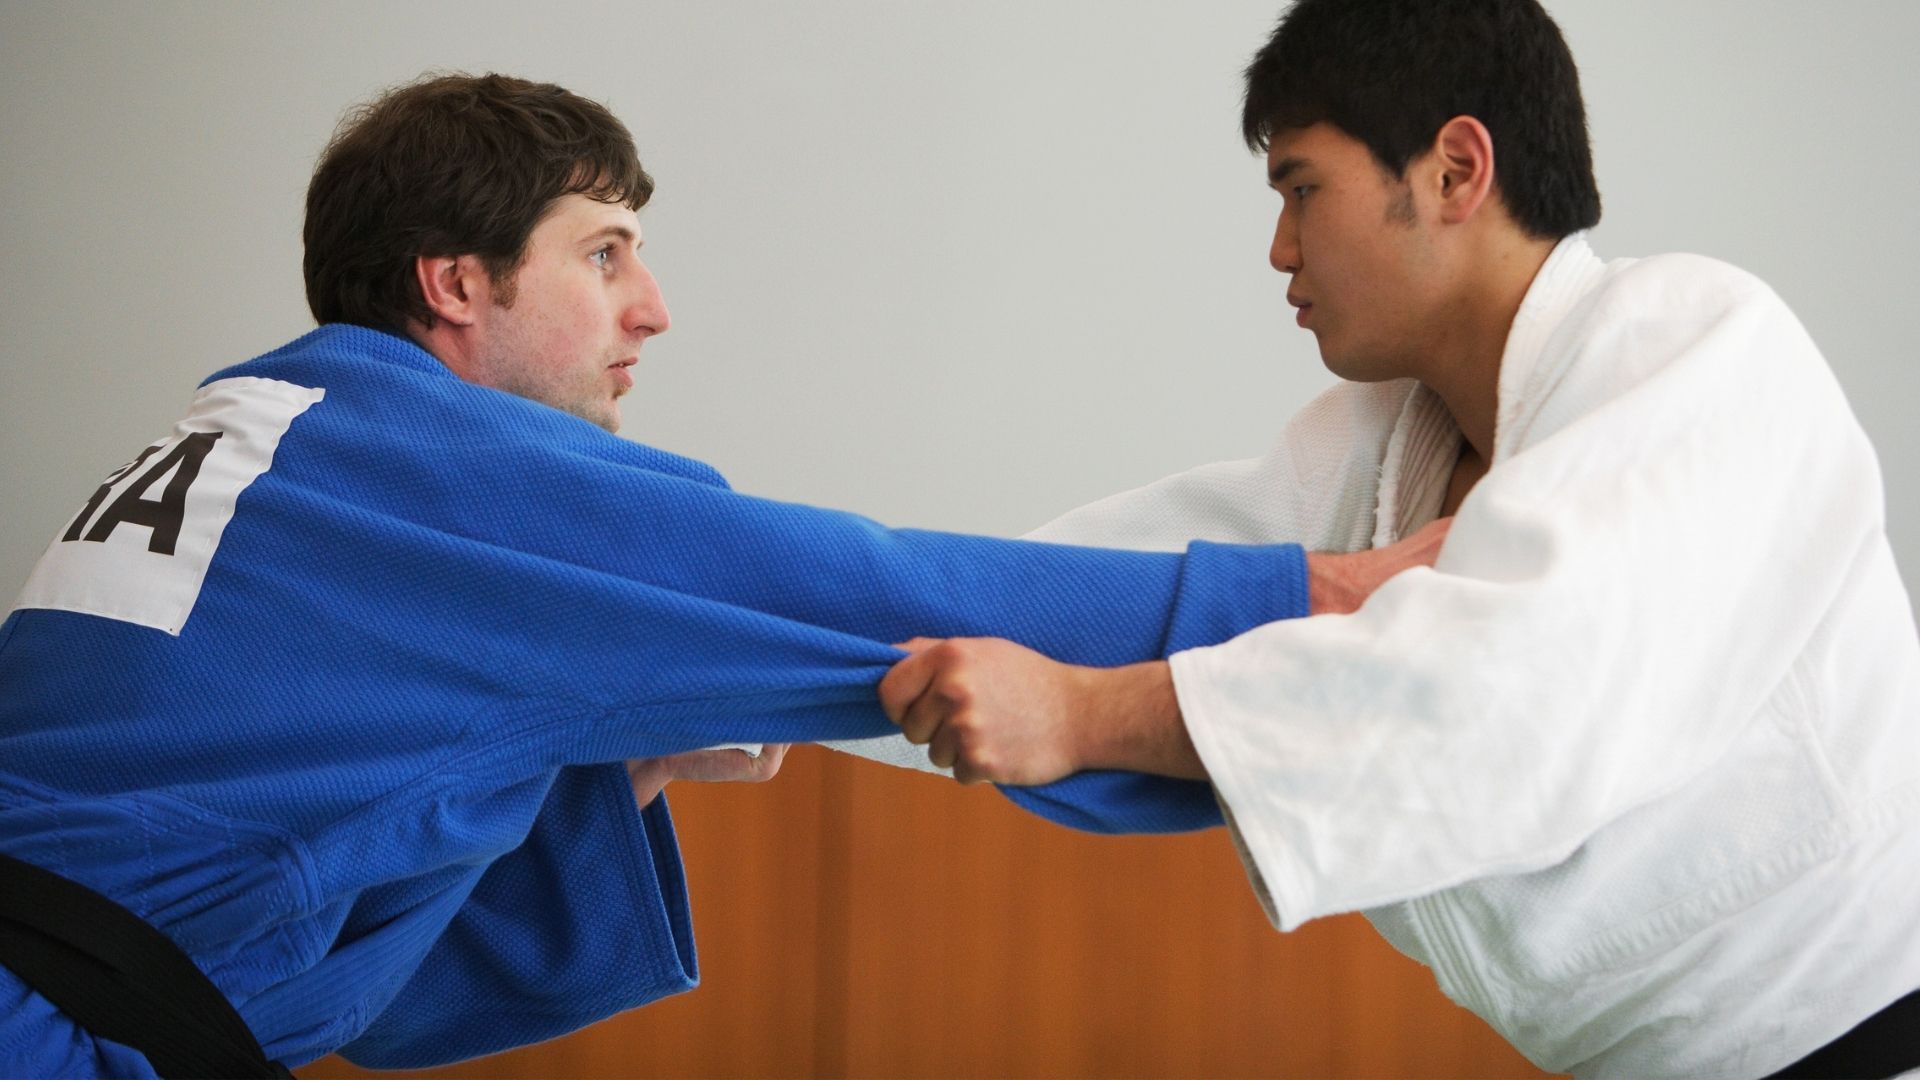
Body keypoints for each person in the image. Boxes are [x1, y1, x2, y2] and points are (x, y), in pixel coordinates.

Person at [0, 73, 1436, 1076]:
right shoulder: (443, 469)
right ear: (457, 282)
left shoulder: (255, 436)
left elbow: (294, 896)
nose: (653, 309)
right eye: (604, 255)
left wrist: (614, 765)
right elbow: (876, 587)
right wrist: (1313, 602)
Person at [878, 1, 1920, 1076]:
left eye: (1302, 189)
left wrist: (1083, 715)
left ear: (1455, 171)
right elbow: (1095, 590)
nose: (1280, 248)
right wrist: (801, 669)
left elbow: (1505, 694)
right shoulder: (1380, 445)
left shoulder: (1695, 345)